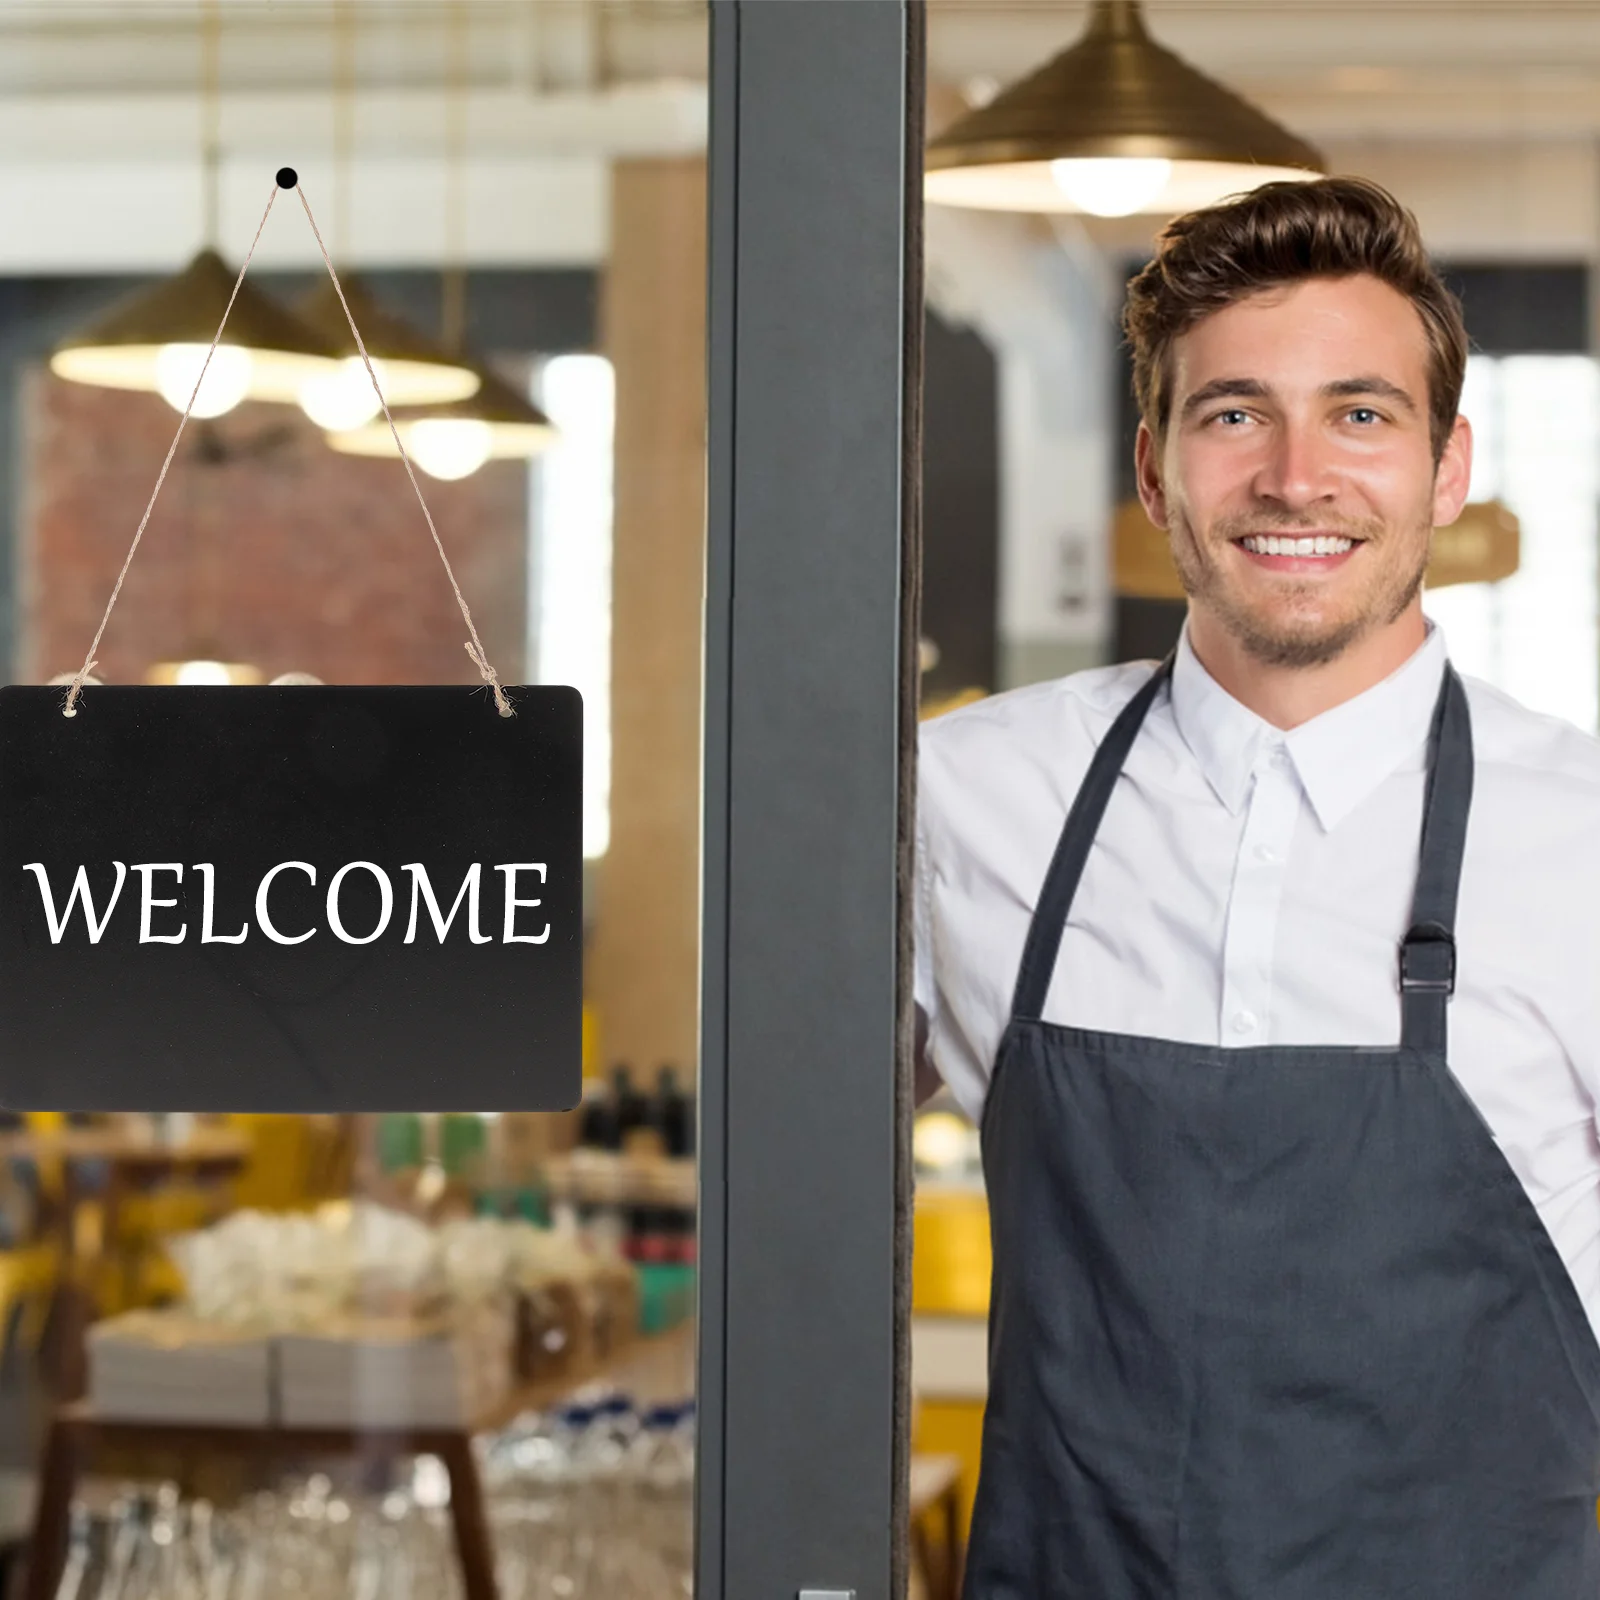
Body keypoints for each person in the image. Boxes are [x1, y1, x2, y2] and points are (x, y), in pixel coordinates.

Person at [913, 176, 1600, 1596]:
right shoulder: (965, 800)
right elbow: (785, 1181)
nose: (1296, 477)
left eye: (1361, 412)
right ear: (1157, 469)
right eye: (1234, 415)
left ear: (1447, 468)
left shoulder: (1581, 834)